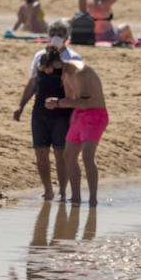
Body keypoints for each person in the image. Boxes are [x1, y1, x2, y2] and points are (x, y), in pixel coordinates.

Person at [14, 24, 79, 200]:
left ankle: (63, 191)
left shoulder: (73, 58)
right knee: (41, 152)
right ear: (48, 35)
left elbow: (77, 90)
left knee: (60, 154)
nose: (57, 37)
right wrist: (21, 106)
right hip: (40, 112)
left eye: (60, 34)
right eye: (53, 34)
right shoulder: (39, 56)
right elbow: (32, 83)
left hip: (63, 114)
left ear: (67, 35)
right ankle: (48, 189)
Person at [45, 53, 106, 206]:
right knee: (69, 155)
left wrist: (58, 103)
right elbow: (71, 100)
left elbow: (84, 102)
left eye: (51, 70)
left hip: (95, 114)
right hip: (78, 116)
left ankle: (93, 200)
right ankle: (76, 197)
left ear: (57, 63)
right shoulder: (65, 75)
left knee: (87, 156)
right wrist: (56, 102)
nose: (51, 74)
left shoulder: (81, 72)